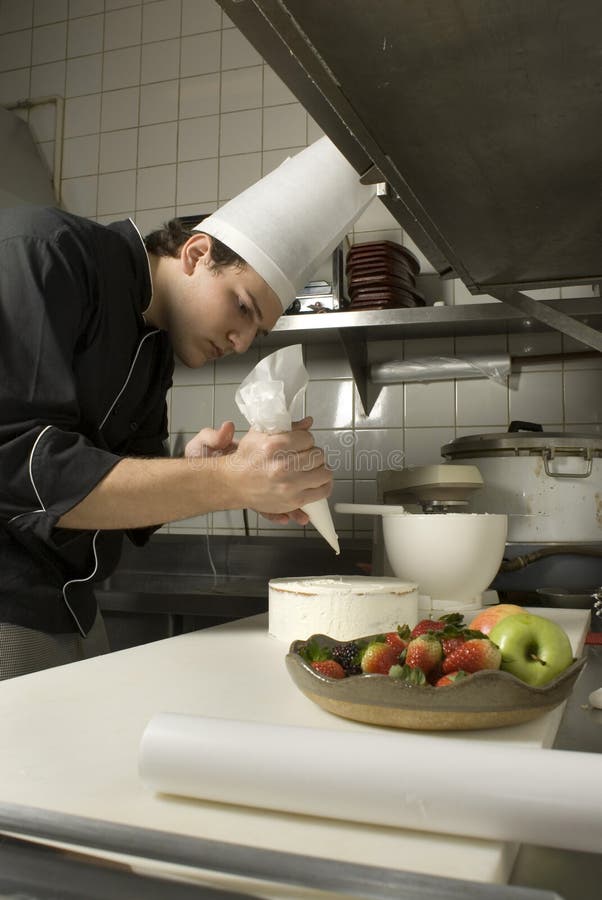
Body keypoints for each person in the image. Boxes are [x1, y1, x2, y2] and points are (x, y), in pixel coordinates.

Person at [0, 136, 376, 679]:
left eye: (258, 329)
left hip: (74, 608)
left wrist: (200, 467)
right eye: (242, 307)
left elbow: (122, 497)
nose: (243, 341)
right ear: (197, 253)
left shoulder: (158, 347)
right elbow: (20, 467)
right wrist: (227, 480)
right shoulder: (48, 253)